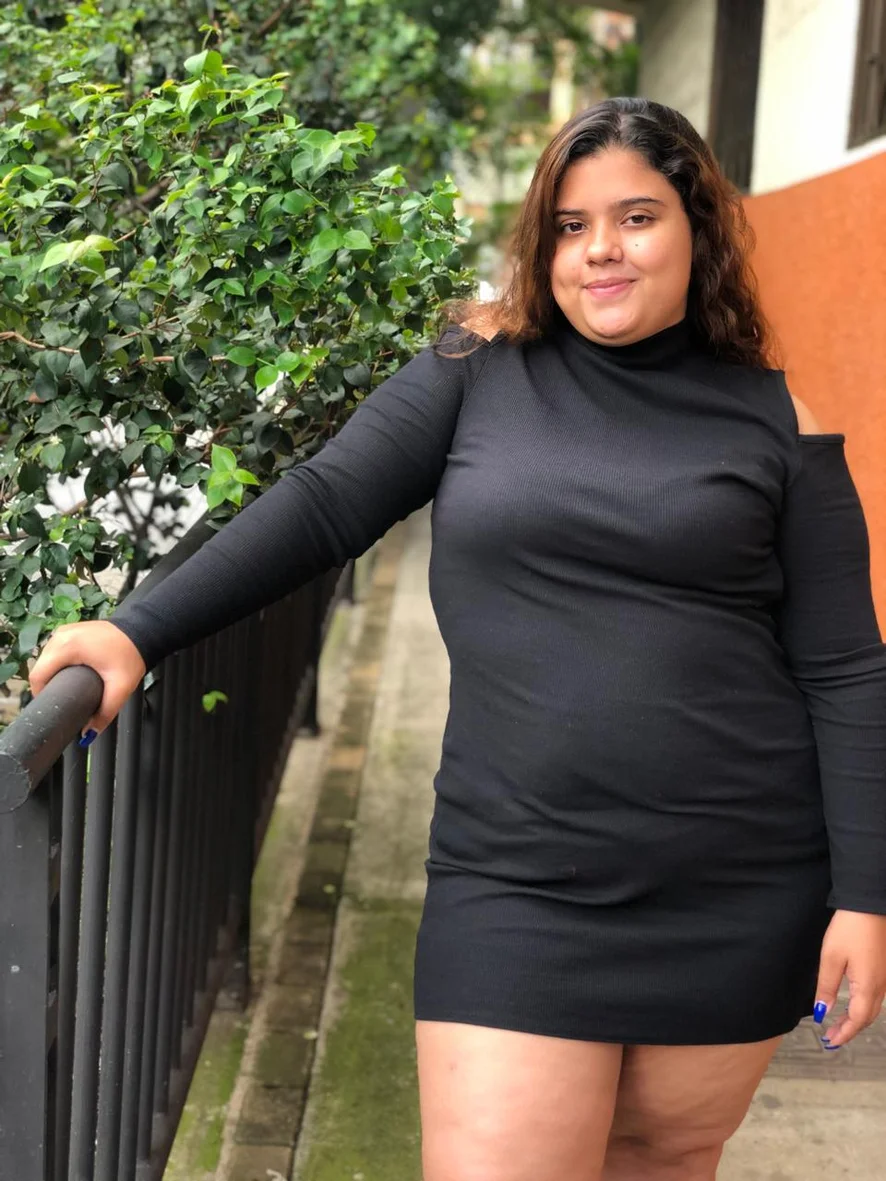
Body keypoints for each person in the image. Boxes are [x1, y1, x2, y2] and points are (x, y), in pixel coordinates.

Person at [30, 97, 886, 1181]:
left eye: (636, 216)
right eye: (570, 225)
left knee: (667, 1155)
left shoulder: (778, 421)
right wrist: (137, 631)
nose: (600, 249)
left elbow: (845, 667)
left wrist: (865, 894)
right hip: (517, 878)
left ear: (698, 229)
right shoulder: (476, 367)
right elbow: (326, 505)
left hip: (738, 879)